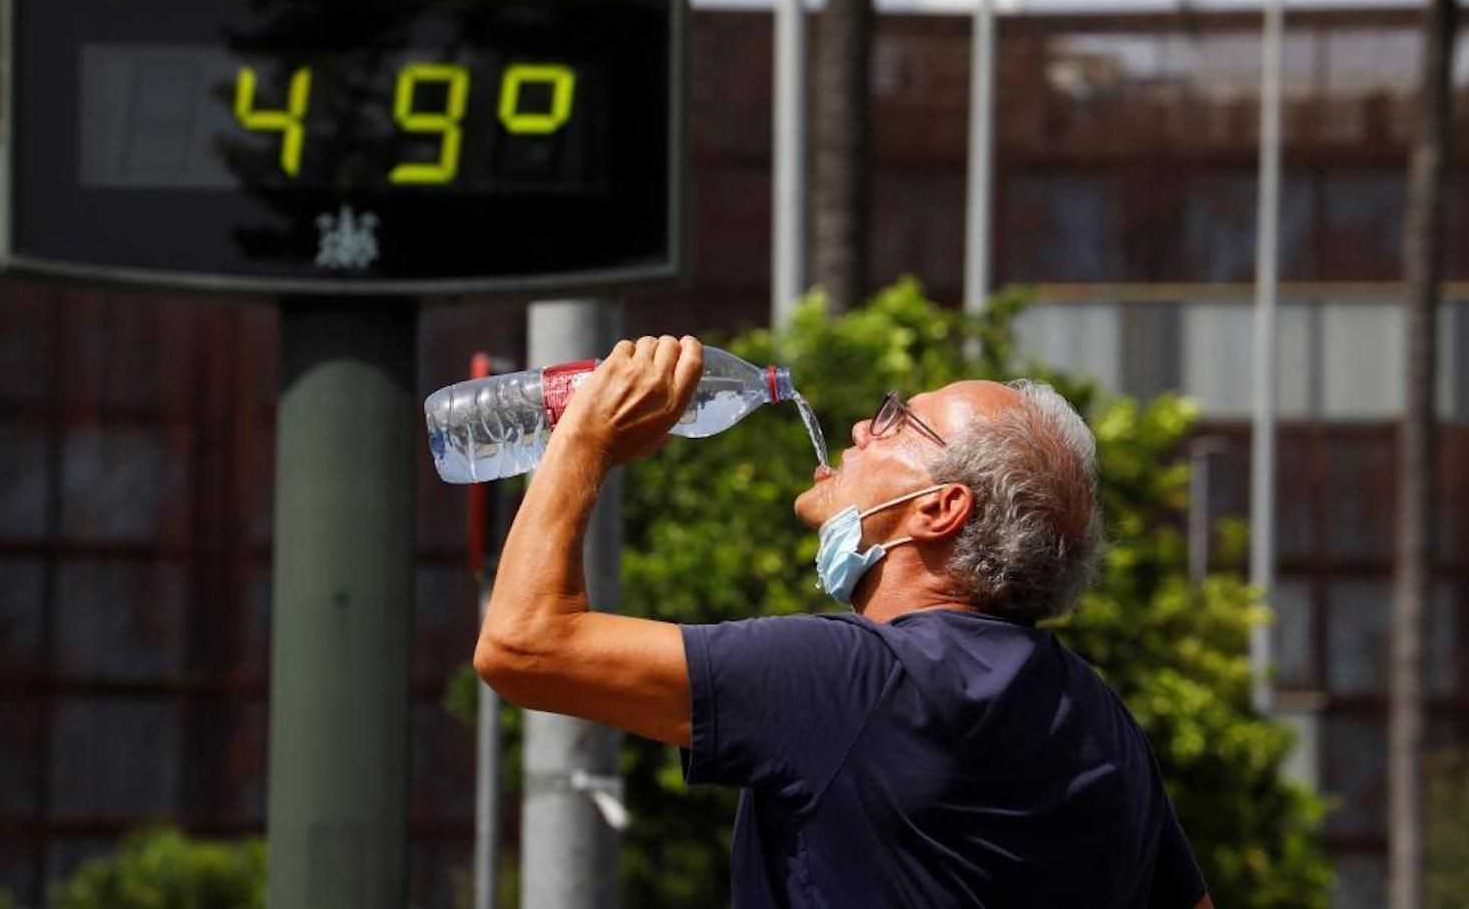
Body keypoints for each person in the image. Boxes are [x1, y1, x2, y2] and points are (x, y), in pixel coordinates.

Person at [474, 334, 1213, 908]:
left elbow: (523, 642)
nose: (862, 425)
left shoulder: (853, 680)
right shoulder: (1099, 717)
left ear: (939, 508)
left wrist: (583, 439)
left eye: (897, 422)